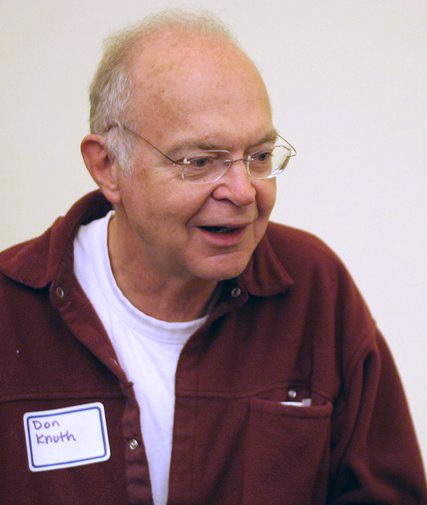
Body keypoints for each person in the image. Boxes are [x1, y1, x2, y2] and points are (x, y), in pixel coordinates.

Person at [0, 9, 425, 505]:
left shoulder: (314, 289)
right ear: (108, 166)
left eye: (259, 157)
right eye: (200, 162)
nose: (244, 192)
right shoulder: (13, 310)